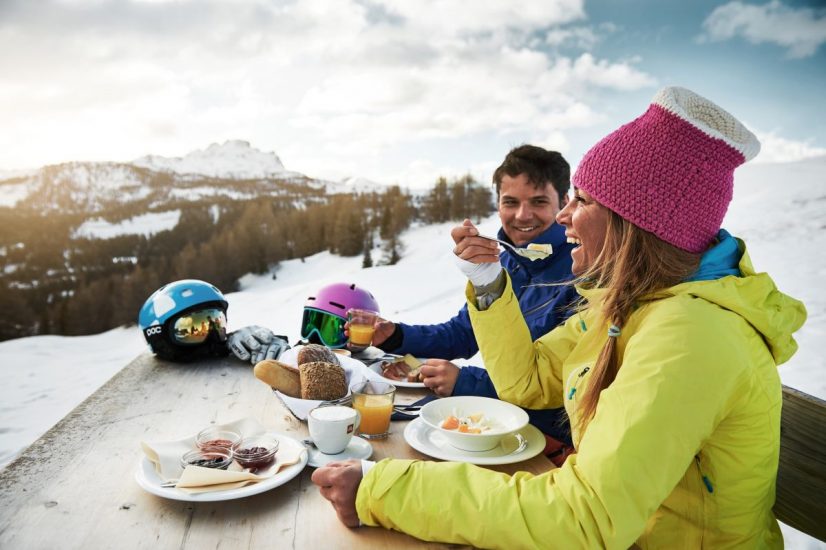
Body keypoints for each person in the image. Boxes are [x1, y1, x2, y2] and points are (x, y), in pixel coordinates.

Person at [311, 86, 807, 547]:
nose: (564, 216)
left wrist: (381, 491)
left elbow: (587, 516)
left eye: (582, 200)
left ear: (634, 225)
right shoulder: (629, 306)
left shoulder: (691, 335)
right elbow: (526, 382)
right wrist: (489, 284)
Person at [366, 144, 579, 448]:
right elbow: (463, 333)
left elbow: (567, 386)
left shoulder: (581, 270)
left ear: (564, 202)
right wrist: (395, 335)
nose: (522, 214)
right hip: (498, 426)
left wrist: (466, 382)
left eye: (539, 201)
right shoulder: (506, 263)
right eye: (510, 202)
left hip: (550, 444)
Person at [138, 279, 288, 364]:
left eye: (218, 323)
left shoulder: (222, 345)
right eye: (191, 328)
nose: (213, 337)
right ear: (157, 334)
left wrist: (287, 354)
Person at [299, 282, 381, 348]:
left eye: (333, 330)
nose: (314, 338)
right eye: (311, 324)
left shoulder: (374, 365)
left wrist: (391, 341)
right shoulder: (296, 354)